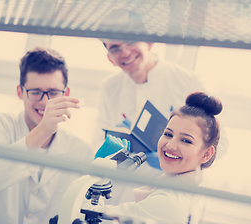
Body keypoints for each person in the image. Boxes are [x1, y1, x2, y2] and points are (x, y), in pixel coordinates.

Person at [91, 8, 218, 205]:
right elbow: (99, 139)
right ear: (109, 58)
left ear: (149, 41)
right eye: (115, 47)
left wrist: (176, 159)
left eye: (131, 41)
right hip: (118, 194)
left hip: (168, 195)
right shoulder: (109, 88)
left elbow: (218, 142)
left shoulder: (185, 80)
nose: (124, 52)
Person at [0, 47, 94, 224]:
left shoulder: (80, 152)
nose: (45, 102)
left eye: (54, 92)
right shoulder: (0, 125)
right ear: (20, 92)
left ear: (66, 93)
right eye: (36, 92)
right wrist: (43, 130)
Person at [91, 91, 223, 224]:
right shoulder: (181, 193)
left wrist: (97, 172)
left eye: (186, 140)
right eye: (168, 134)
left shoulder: (167, 201)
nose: (170, 145)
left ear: (206, 154)